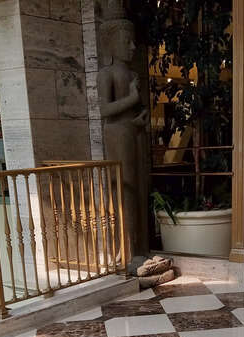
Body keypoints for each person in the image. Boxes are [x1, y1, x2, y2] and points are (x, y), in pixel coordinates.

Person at [97, 0, 150, 259]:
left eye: (132, 41)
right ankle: (126, 248)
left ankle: (139, 245)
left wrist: (139, 116)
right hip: (117, 135)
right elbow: (104, 110)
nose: (132, 46)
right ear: (111, 42)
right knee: (124, 188)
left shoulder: (130, 73)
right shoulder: (106, 74)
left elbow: (130, 109)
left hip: (132, 132)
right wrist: (131, 98)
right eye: (126, 41)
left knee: (139, 189)